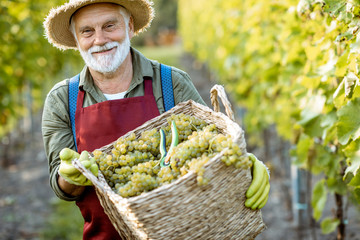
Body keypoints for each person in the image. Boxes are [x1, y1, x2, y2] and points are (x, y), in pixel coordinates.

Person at [42, 0, 270, 239]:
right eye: (87, 31)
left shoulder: (172, 83)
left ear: (130, 27)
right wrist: (69, 176)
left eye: (110, 26)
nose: (99, 40)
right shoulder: (62, 99)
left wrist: (246, 162)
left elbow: (211, 144)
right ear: (76, 39)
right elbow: (61, 186)